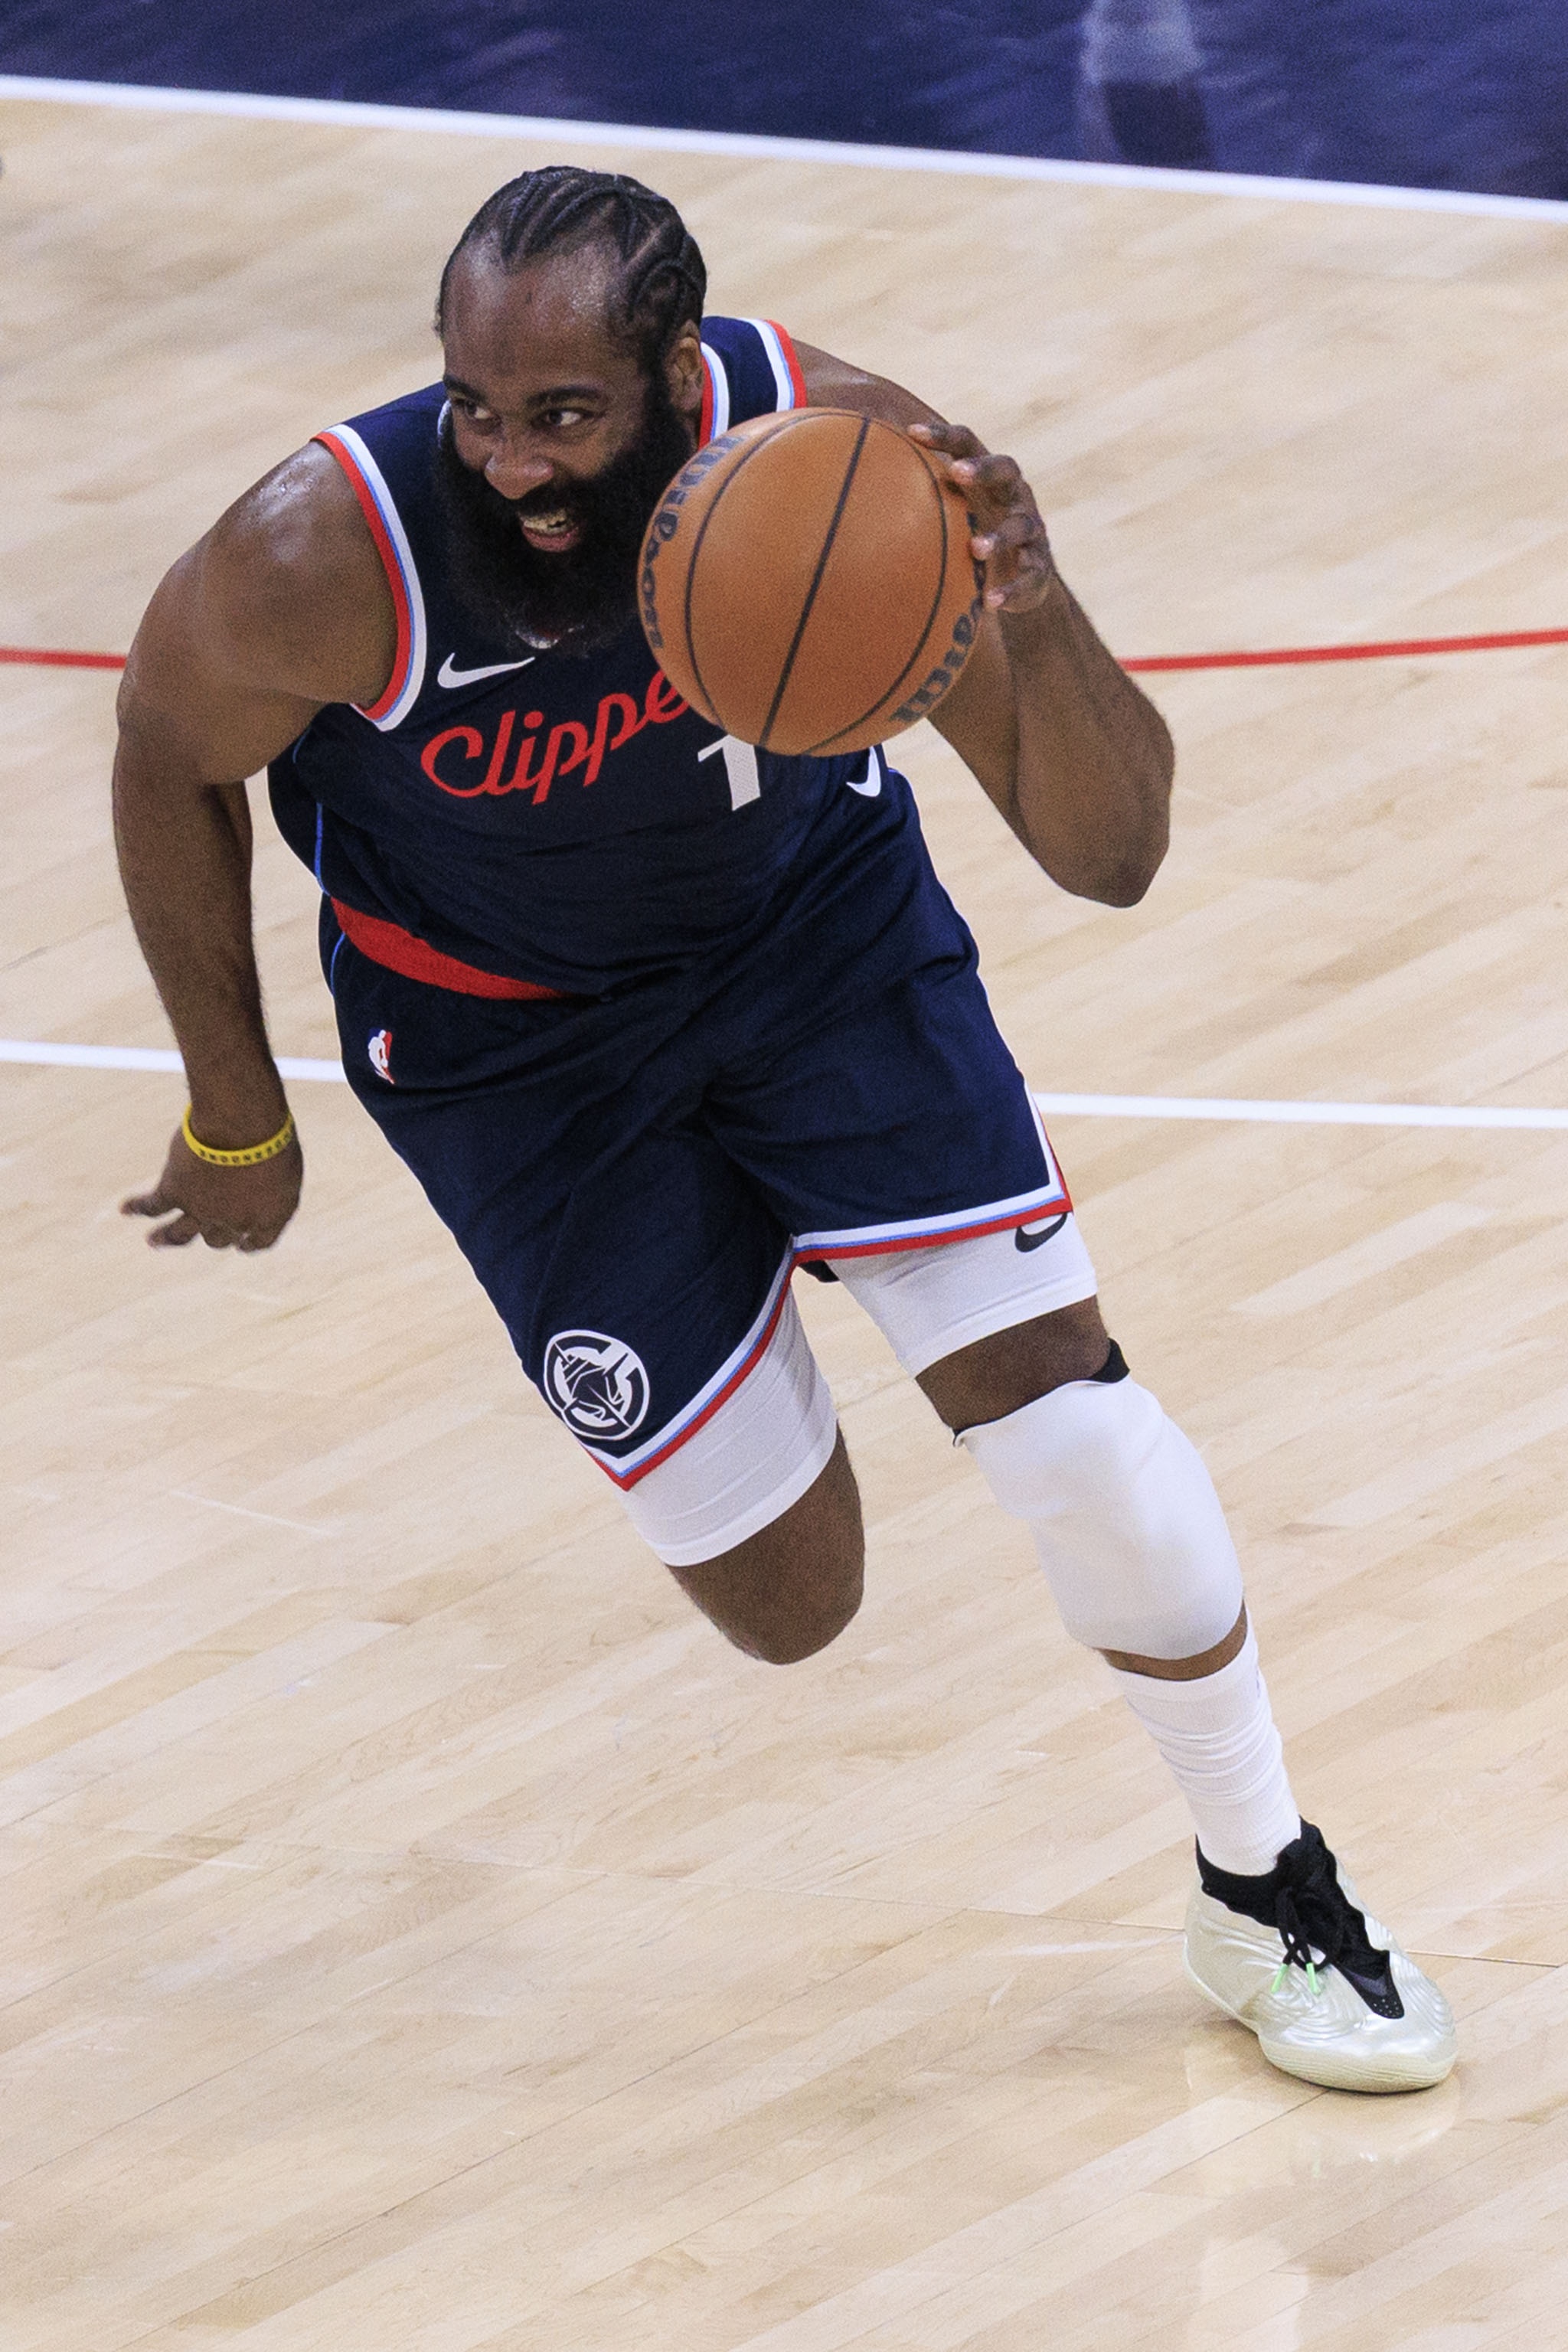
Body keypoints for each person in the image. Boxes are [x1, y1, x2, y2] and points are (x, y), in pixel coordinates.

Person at [113, 165, 1453, 2095]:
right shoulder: (328, 554)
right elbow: (163, 751)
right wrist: (237, 1111)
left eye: (563, 413)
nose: (510, 463)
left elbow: (1114, 855)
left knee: (1072, 1431)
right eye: (475, 406)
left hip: (816, 948)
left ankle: (1264, 1880)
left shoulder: (844, 470)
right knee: (790, 1604)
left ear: (678, 375)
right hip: (515, 1058)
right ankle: (738, 1298)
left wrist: (1032, 601)